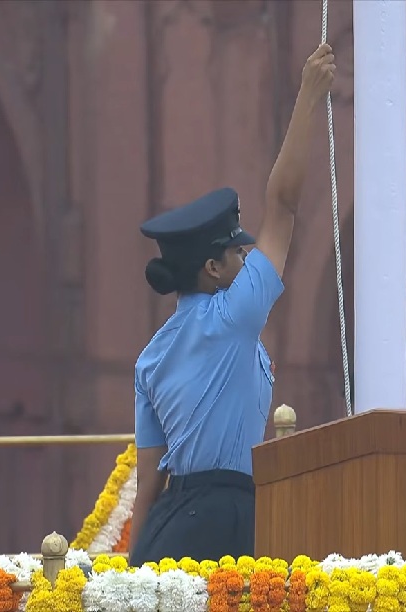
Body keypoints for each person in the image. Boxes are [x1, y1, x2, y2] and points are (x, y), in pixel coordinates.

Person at [128, 43, 335, 565]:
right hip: (226, 516)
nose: (249, 258)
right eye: (238, 253)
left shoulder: (151, 357)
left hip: (171, 524)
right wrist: (309, 95)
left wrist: (130, 572)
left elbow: (148, 481)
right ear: (213, 269)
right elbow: (283, 206)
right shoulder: (231, 318)